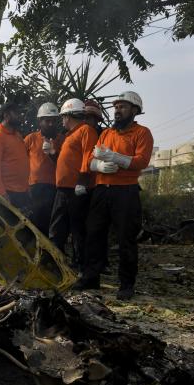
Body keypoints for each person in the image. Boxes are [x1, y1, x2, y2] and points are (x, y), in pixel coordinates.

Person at [78, 90, 153, 300]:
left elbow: (141, 162)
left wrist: (114, 157)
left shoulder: (142, 133)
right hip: (102, 190)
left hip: (126, 191)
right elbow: (91, 161)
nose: (117, 110)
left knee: (126, 239)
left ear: (135, 110)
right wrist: (99, 164)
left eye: (123, 106)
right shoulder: (106, 134)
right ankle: (91, 277)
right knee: (94, 234)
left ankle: (126, 284)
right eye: (116, 107)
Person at [48, 98, 101, 270]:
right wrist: (52, 154)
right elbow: (67, 162)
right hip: (63, 189)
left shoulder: (86, 131)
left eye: (63, 117)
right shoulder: (70, 135)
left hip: (76, 190)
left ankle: (80, 266)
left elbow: (89, 157)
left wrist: (82, 181)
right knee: (57, 229)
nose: (62, 120)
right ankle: (57, 265)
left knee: (78, 230)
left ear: (69, 116)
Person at [23, 102, 65, 235]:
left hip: (55, 187)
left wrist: (53, 153)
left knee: (52, 224)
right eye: (47, 121)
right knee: (35, 223)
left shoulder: (61, 140)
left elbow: (65, 164)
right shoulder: (31, 138)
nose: (51, 124)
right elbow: (21, 162)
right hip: (34, 187)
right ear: (40, 121)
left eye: (53, 120)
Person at [0, 101, 30, 213]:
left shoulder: (17, 135)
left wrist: (27, 188)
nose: (20, 116)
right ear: (6, 115)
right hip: (8, 193)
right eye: (17, 113)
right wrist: (2, 194)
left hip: (21, 192)